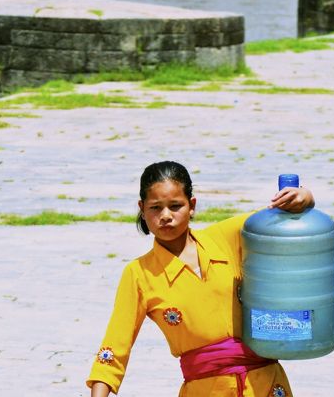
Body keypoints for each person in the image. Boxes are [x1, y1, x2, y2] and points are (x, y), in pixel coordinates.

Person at [87, 161, 315, 397]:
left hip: (265, 384)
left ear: (192, 206)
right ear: (142, 209)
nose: (166, 216)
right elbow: (115, 346)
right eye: (156, 208)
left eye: (175, 206)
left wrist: (305, 196)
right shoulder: (139, 274)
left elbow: (280, 218)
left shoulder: (227, 237)